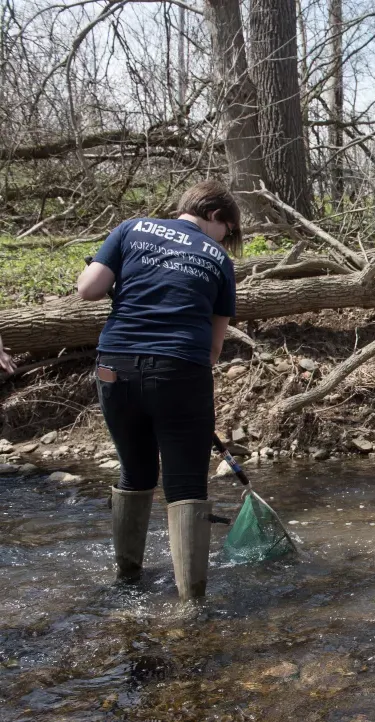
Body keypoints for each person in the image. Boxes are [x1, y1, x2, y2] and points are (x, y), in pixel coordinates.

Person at [77, 180, 240, 601]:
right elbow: (213, 348)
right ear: (217, 217)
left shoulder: (131, 228)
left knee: (136, 472)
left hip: (116, 366)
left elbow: (88, 290)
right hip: (181, 369)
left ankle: (127, 578)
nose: (226, 238)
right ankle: (192, 605)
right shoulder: (218, 260)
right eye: (229, 229)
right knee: (186, 486)